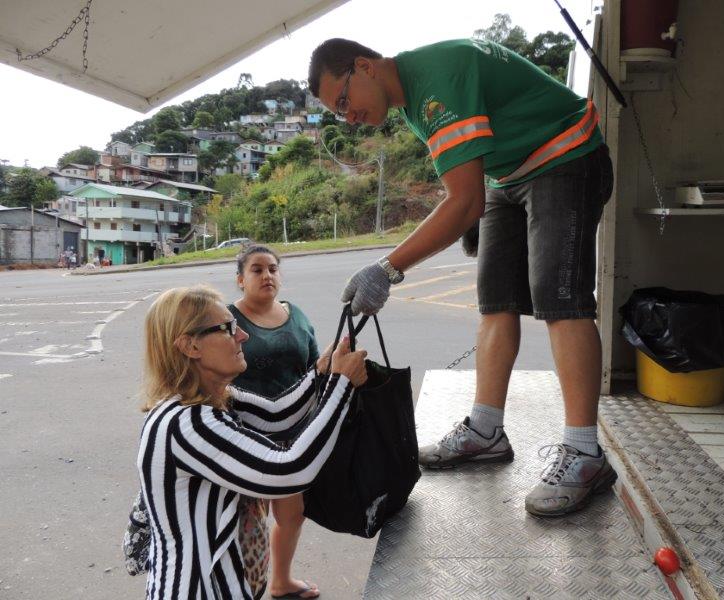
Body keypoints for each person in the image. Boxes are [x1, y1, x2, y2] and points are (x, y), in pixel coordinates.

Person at [308, 38, 616, 517]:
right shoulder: (412, 100)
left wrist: (387, 269)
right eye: (338, 113)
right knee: (494, 303)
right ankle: (486, 431)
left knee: (562, 301)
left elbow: (463, 200)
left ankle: (584, 453)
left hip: (565, 155)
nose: (348, 117)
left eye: (344, 101)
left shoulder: (435, 81)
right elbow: (468, 187)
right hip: (508, 177)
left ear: (364, 66)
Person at [137, 285, 367, 599]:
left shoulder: (214, 400)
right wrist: (341, 385)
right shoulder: (188, 423)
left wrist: (322, 372)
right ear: (190, 346)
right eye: (228, 328)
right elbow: (290, 470)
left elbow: (277, 415)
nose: (242, 335)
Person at [230, 245, 322, 599]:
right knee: (248, 523)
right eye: (256, 269)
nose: (267, 275)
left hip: (294, 436)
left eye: (273, 268)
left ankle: (281, 581)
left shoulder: (296, 315)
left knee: (291, 515)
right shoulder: (226, 320)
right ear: (241, 280)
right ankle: (240, 589)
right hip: (244, 437)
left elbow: (314, 367)